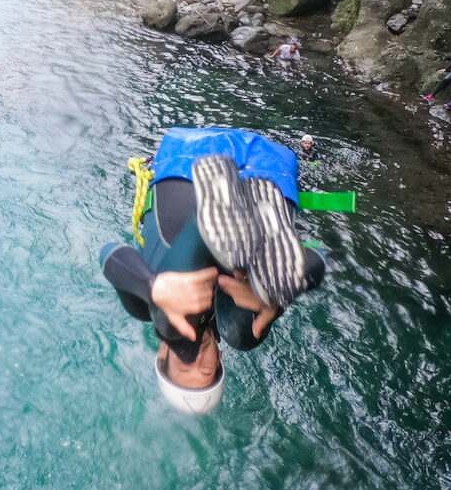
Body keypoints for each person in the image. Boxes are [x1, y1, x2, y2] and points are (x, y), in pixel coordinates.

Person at [100, 128, 328, 415]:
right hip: (267, 172)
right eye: (205, 370)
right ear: (220, 358)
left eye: (185, 363)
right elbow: (320, 252)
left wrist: (152, 288)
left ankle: (207, 223)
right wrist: (271, 299)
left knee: (169, 315)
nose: (197, 358)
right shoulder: (234, 322)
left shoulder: (147, 307)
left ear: (161, 354)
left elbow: (107, 254)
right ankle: (270, 277)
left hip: (186, 163)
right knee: (245, 336)